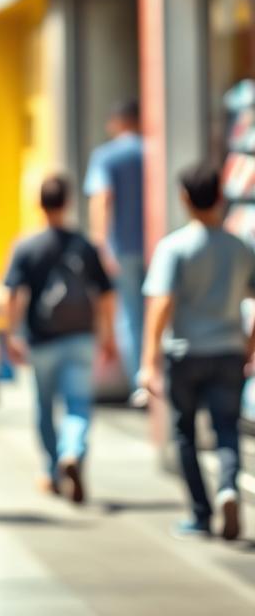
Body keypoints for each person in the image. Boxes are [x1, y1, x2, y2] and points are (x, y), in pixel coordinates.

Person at [139, 161, 255, 541]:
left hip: (186, 352)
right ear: (220, 197)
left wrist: (148, 361)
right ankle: (228, 488)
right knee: (226, 429)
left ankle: (201, 514)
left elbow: (160, 306)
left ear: (184, 198)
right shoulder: (240, 248)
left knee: (186, 433)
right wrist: (249, 346)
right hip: (228, 350)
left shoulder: (174, 247)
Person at [5, 175, 116, 504]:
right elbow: (106, 294)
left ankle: (52, 470)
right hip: (81, 337)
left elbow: (13, 294)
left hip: (42, 340)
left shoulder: (26, 245)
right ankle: (73, 450)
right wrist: (106, 335)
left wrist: (12, 334)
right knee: (78, 405)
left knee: (44, 407)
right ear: (67, 203)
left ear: (39, 204)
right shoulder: (85, 245)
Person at [84, 98, 146, 405]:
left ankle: (142, 382)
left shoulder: (106, 156)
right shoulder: (152, 150)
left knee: (130, 317)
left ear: (117, 122)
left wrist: (100, 244)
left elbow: (101, 198)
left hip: (123, 248)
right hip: (154, 244)